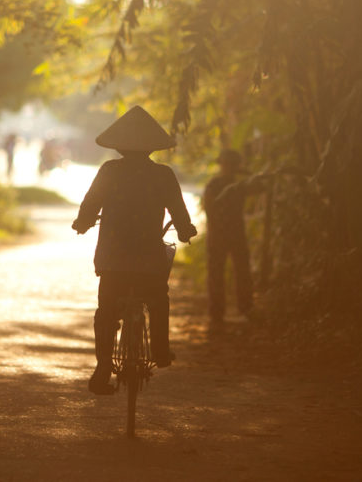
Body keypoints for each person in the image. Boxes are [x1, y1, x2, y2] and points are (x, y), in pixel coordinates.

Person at [72, 106, 197, 395]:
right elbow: (179, 212)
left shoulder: (109, 170)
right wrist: (185, 230)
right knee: (157, 300)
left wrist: (83, 223)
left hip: (112, 258)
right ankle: (161, 352)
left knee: (106, 311)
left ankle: (103, 366)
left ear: (119, 145)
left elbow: (91, 204)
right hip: (149, 259)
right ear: (153, 147)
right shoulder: (164, 175)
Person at [202, 149, 266, 326]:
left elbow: (261, 186)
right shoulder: (215, 185)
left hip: (236, 234)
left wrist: (247, 173)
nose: (229, 167)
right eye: (227, 164)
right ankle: (217, 313)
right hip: (218, 235)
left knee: (242, 272)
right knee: (217, 274)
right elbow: (209, 210)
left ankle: (245, 308)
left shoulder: (240, 185)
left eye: (233, 164)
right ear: (222, 165)